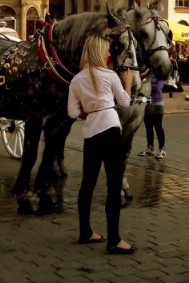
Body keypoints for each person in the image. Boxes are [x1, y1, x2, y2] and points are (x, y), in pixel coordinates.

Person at [67, 36, 137, 255]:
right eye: (107, 50)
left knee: (87, 183)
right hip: (110, 128)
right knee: (113, 184)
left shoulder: (77, 79)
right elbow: (125, 103)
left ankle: (85, 231)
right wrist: (127, 83)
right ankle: (114, 239)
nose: (109, 54)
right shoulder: (109, 75)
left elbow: (71, 112)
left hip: (91, 132)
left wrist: (90, 110)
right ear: (99, 52)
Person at [138, 77, 166, 159]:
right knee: (148, 127)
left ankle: (162, 149)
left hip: (157, 104)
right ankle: (150, 148)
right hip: (146, 104)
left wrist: (146, 85)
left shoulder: (160, 77)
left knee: (158, 127)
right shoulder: (146, 76)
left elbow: (158, 88)